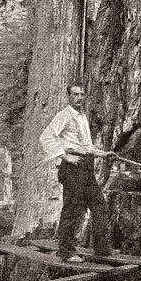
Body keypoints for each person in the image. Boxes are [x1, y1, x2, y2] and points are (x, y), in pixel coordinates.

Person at [40, 84, 113, 263]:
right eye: (75, 94)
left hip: (86, 166)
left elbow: (86, 146)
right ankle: (66, 252)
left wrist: (104, 154)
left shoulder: (82, 117)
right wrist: (65, 157)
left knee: (100, 206)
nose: (79, 97)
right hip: (73, 167)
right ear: (69, 96)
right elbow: (46, 136)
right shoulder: (64, 115)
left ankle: (101, 249)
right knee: (72, 209)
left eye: (82, 94)